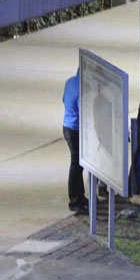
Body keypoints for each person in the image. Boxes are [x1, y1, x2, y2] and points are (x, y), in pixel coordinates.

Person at [62, 68, 87, 214]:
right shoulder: (81, 89)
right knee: (76, 164)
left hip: (67, 125)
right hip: (75, 130)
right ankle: (74, 200)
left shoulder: (70, 82)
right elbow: (83, 110)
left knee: (78, 164)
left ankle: (80, 196)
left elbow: (64, 99)